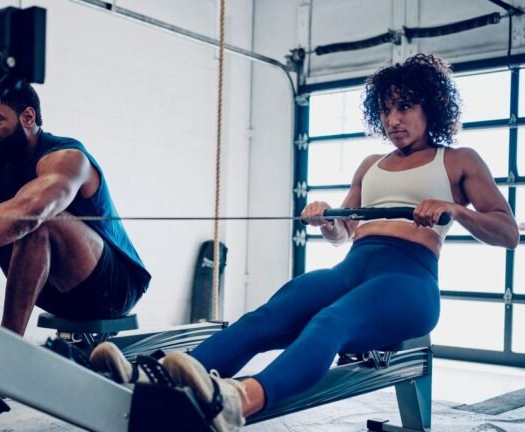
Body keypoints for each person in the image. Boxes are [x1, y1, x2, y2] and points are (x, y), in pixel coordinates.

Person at [89, 53, 520, 431]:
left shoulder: (459, 160)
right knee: (263, 318)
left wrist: (457, 211)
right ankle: (157, 381)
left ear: (432, 107)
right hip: (351, 269)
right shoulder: (371, 165)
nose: (393, 120)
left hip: (408, 282)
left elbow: (508, 232)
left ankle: (239, 401)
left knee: (330, 323)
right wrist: (325, 219)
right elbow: (343, 232)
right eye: (386, 110)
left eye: (404, 107)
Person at [0, 79, 151, 335]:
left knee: (42, 221)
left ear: (27, 117)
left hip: (112, 291)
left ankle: (7, 345)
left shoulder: (67, 158)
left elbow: (28, 214)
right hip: (55, 290)